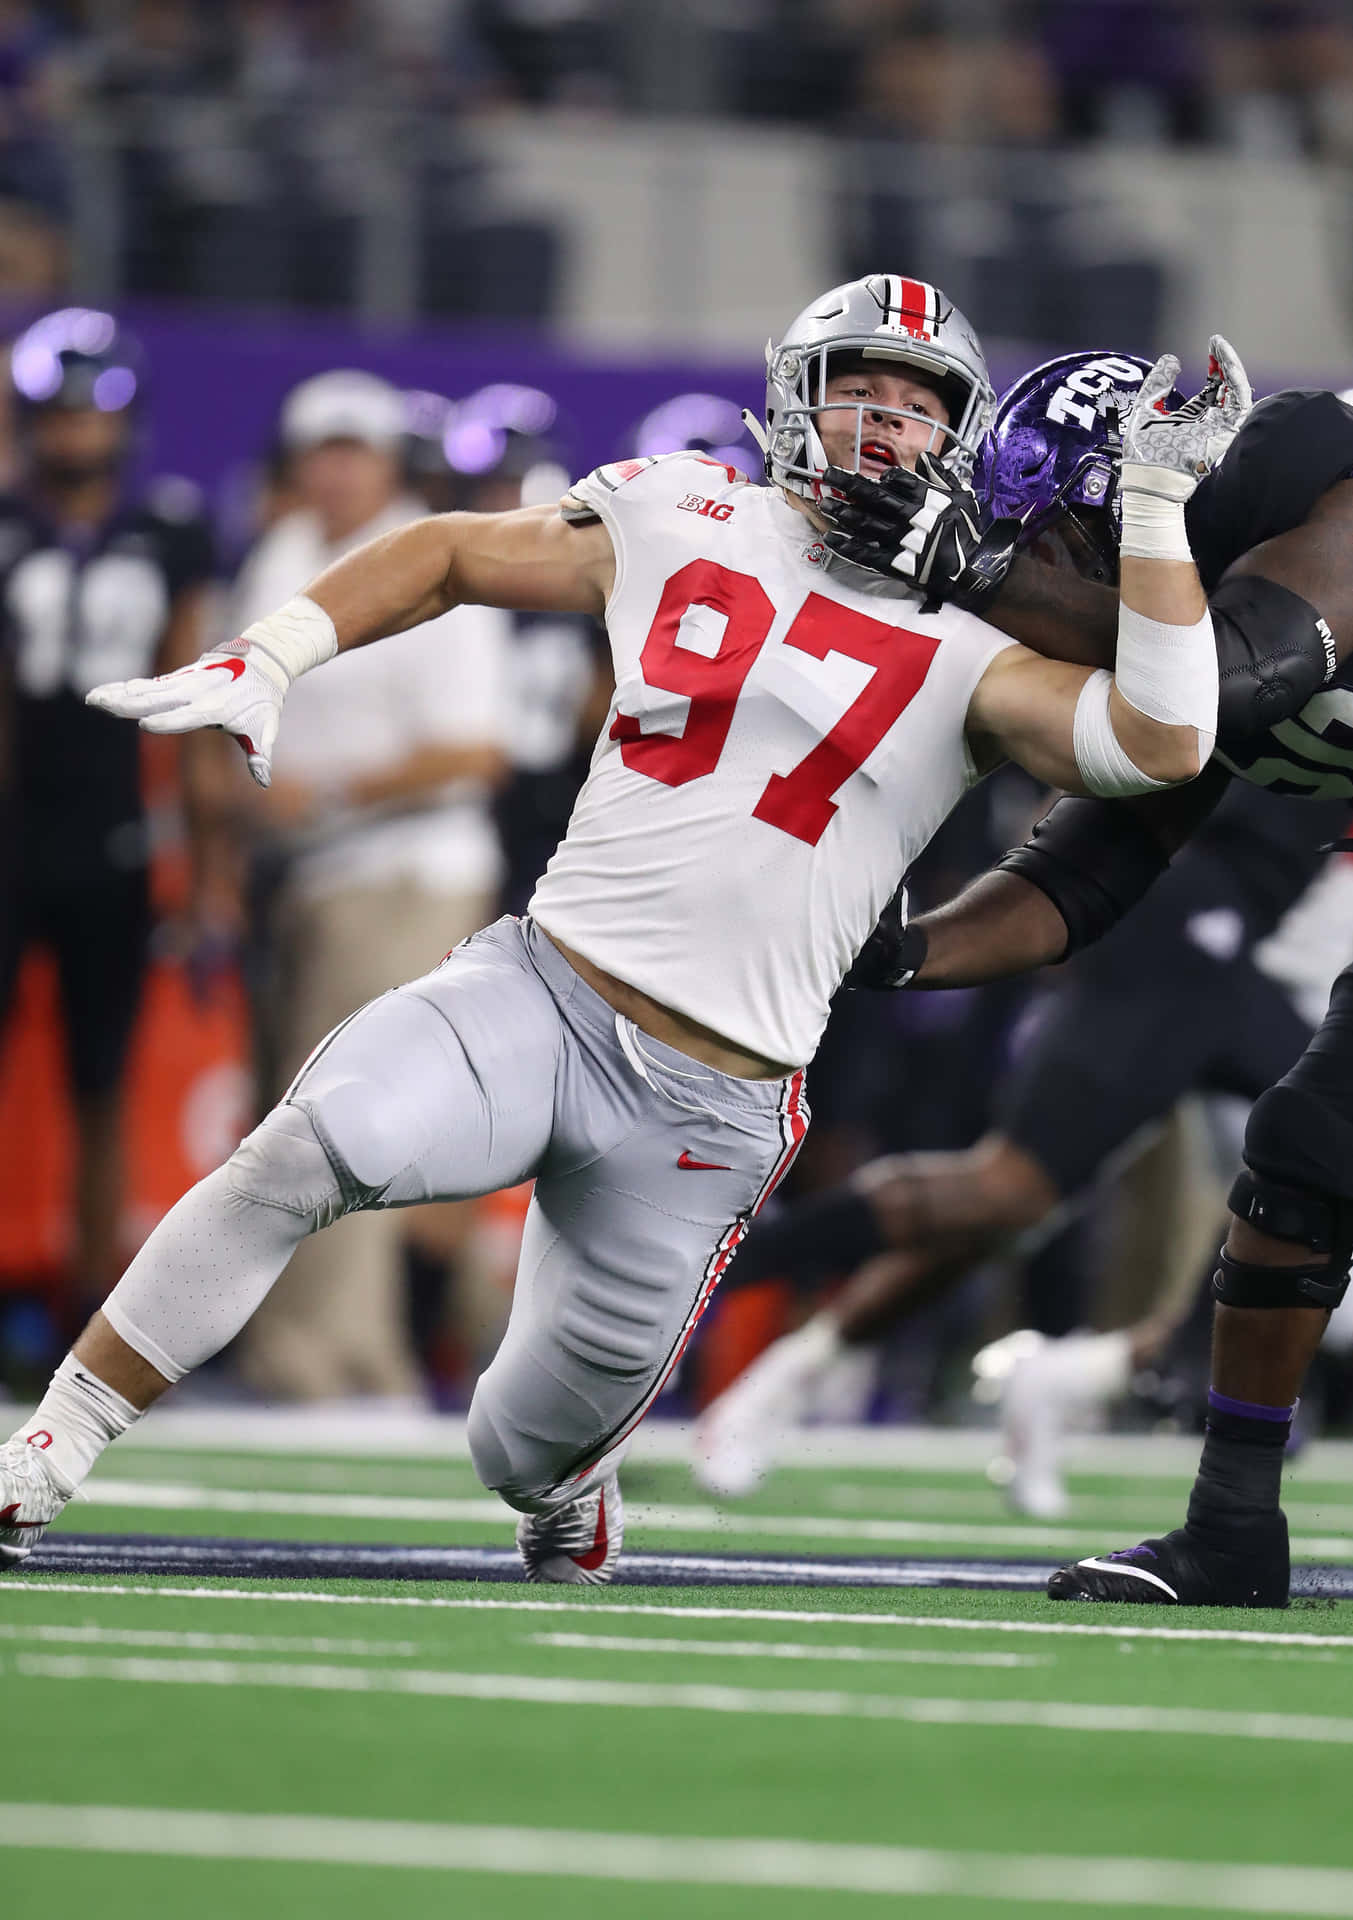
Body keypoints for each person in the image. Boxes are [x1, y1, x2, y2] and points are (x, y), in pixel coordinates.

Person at [0, 275, 1229, 1586]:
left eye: (914, 405)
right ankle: (46, 1452)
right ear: (792, 402)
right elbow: (450, 549)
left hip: (714, 1105)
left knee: (519, 1444)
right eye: (857, 389)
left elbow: (1163, 740)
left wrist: (1152, 508)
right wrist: (279, 650)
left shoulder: (976, 642)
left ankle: (569, 1481)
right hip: (543, 994)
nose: (880, 425)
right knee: (308, 1148)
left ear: (958, 439)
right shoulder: (681, 509)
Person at [692, 355, 1349, 1511]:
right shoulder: (1189, 630)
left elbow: (1231, 680)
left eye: (1053, 541)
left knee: (1282, 1150)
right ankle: (1225, 1516)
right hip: (1221, 933)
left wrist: (975, 570)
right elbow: (1081, 876)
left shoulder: (1318, 489)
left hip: (1248, 933)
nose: (1041, 576)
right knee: (1300, 1146)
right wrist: (892, 952)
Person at [223, 369, 514, 1401]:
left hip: (406, 875)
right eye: (323, 450)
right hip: (305, 876)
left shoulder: (434, 557)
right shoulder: (283, 554)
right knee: (313, 1115)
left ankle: (339, 1358)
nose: (339, 470)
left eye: (357, 451)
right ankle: (350, 1345)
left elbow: (475, 753)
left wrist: (329, 791)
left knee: (342, 1119)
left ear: (391, 462)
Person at [0, 306, 218, 1312]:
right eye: (61, 412)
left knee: (100, 1084)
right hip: (12, 831)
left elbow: (198, 692)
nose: (77, 431)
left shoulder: (166, 532)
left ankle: (89, 1308)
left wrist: (205, 871)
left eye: (95, 413)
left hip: (116, 836)